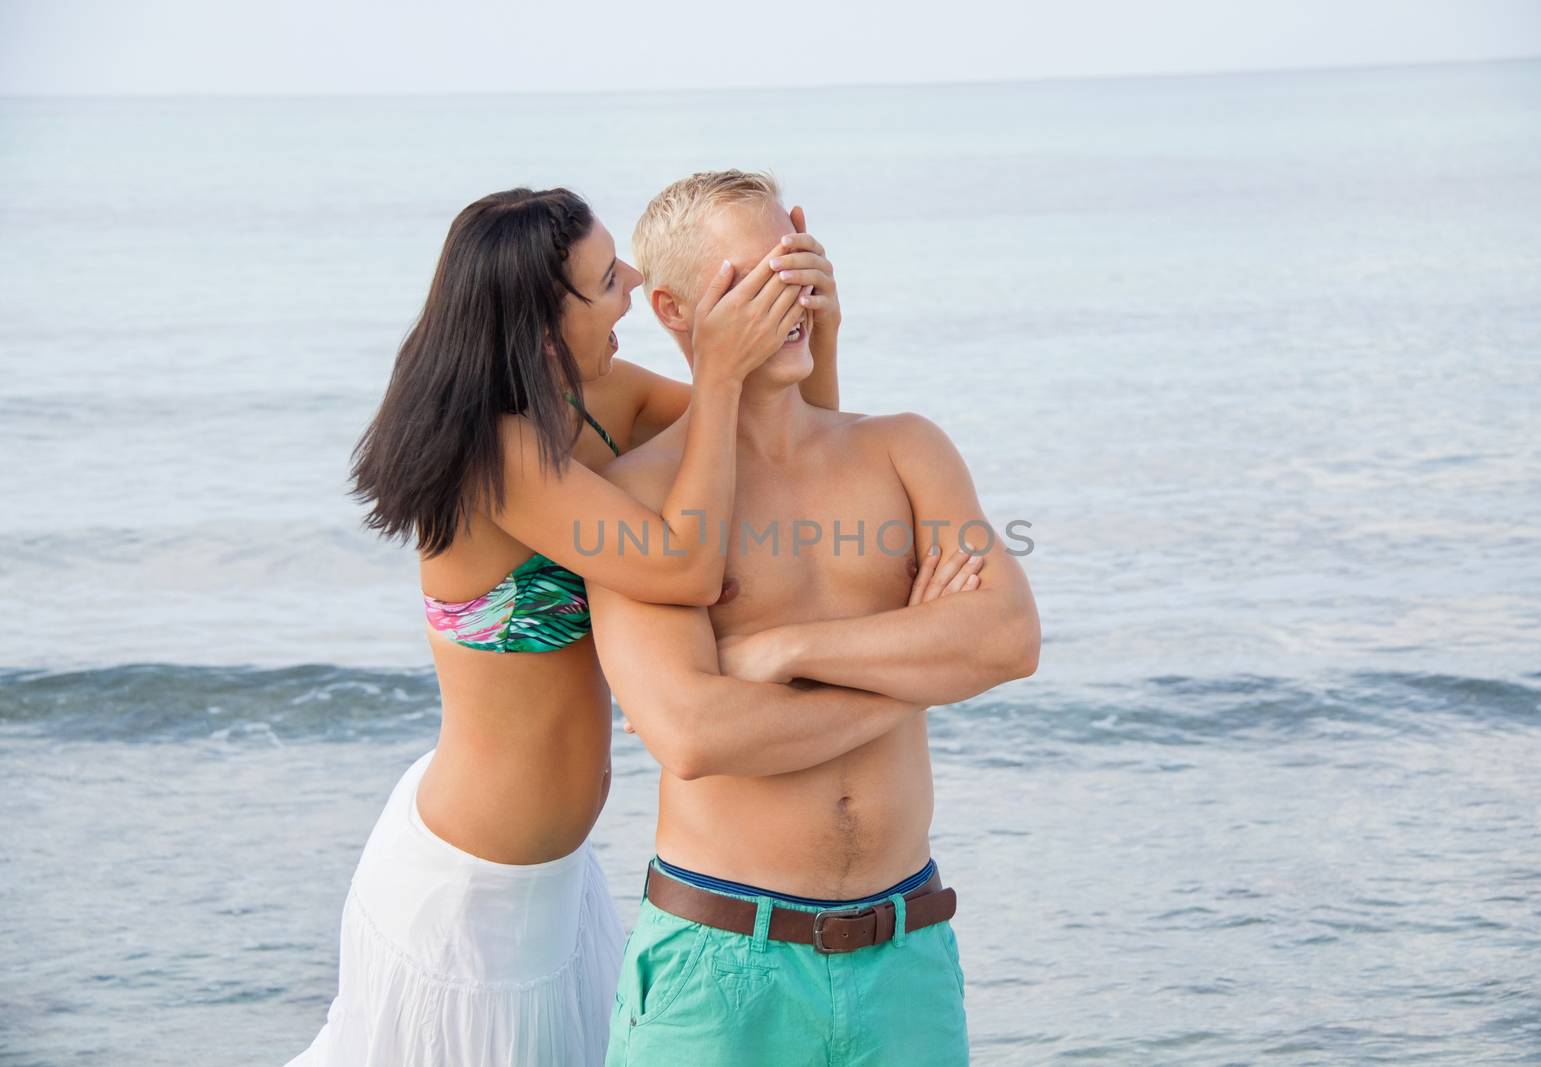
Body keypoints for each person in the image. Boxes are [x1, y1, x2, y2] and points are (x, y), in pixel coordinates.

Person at [286, 185, 844, 1066]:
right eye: (607, 278)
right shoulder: (495, 454)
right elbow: (684, 562)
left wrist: (812, 333)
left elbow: (780, 448)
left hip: (561, 891)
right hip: (470, 902)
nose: (631, 285)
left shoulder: (600, 395)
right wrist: (720, 373)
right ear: (542, 326)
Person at [587, 170, 1042, 1067]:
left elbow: (1009, 638)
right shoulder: (637, 498)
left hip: (905, 949)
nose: (787, 297)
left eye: (793, 263)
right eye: (748, 280)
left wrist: (786, 649)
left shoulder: (903, 448)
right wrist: (916, 673)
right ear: (674, 311)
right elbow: (692, 731)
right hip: (721, 965)